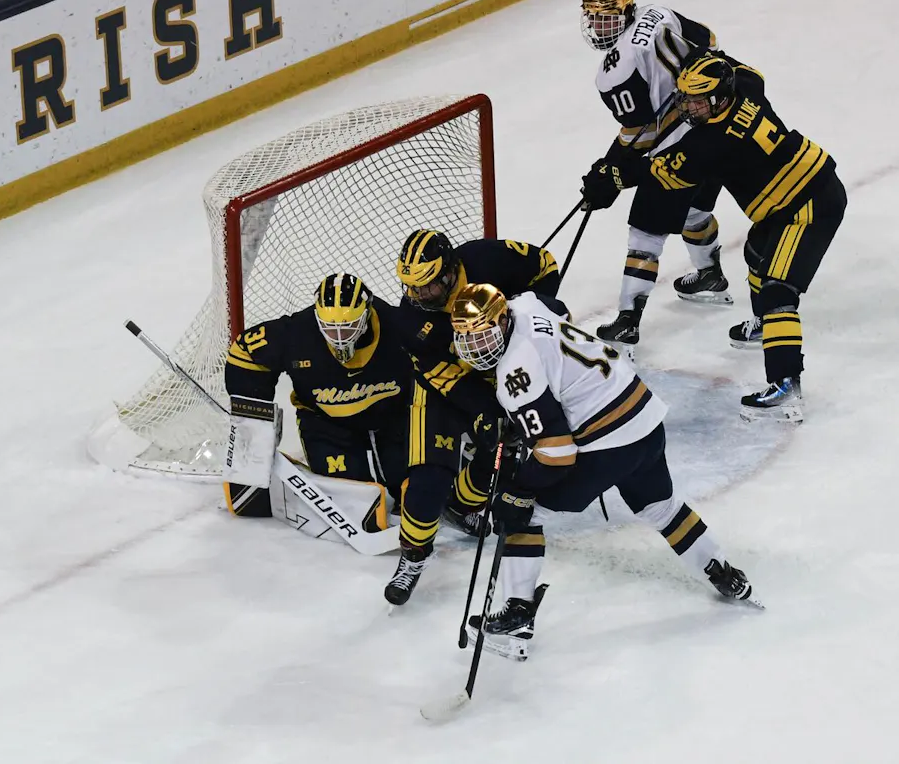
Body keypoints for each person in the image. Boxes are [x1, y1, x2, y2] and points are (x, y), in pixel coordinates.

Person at [448, 283, 757, 659]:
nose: (476, 346)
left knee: (521, 514)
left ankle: (517, 616)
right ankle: (722, 571)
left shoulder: (516, 371)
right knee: (660, 507)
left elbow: (558, 453)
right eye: (467, 337)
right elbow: (558, 309)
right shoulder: (524, 304)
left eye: (483, 334)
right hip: (643, 417)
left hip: (606, 445)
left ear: (501, 321)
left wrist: (519, 489)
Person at [642, 50, 847, 421]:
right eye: (686, 97)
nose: (688, 106)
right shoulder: (747, 86)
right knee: (756, 254)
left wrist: (612, 175)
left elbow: (661, 172)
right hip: (793, 197)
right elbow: (739, 68)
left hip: (808, 207)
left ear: (719, 98)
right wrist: (708, 57)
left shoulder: (709, 144)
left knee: (778, 291)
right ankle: (764, 327)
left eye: (697, 100)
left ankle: (785, 384)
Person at [375, 229, 565, 605]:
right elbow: (443, 378)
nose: (418, 295)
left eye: (428, 285)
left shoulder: (487, 260)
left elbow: (545, 265)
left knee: (499, 454)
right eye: (411, 286)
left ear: (449, 272)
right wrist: (484, 410)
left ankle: (461, 506)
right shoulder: (411, 320)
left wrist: (532, 313)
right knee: (428, 477)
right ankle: (413, 554)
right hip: (444, 389)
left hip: (501, 371)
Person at [574, 0, 734, 347]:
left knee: (644, 234)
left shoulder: (614, 71)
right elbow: (710, 42)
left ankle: (627, 321)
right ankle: (709, 275)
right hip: (716, 131)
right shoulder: (658, 13)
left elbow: (641, 134)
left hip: (677, 151)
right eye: (592, 17)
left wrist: (612, 166)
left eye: (605, 18)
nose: (597, 26)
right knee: (694, 209)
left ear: (626, 11)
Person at [222, 273, 412, 532]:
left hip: (392, 418)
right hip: (326, 423)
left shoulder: (398, 327)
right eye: (330, 328)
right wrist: (254, 419)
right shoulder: (296, 332)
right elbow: (244, 351)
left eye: (348, 327)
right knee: (352, 494)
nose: (339, 337)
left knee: (415, 483)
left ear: (367, 315)